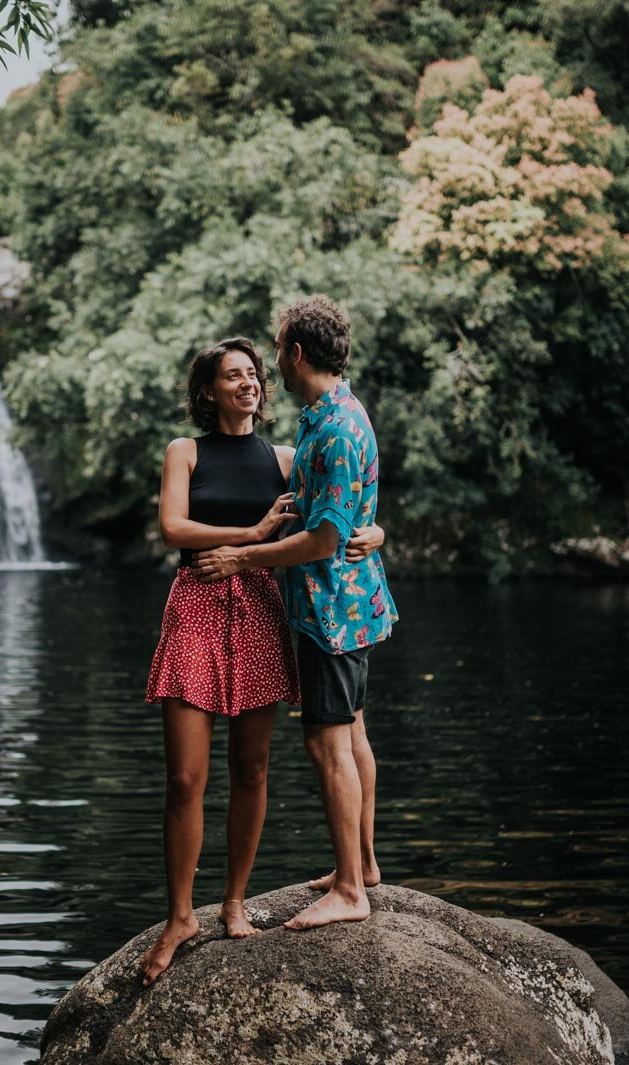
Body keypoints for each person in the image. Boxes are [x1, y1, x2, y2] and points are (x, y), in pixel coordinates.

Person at [140, 336, 385, 984]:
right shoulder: (184, 452)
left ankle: (234, 901)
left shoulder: (286, 456)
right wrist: (249, 534)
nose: (248, 382)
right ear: (209, 390)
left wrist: (377, 531)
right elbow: (173, 528)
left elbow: (339, 505)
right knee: (185, 780)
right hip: (195, 606)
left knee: (250, 769)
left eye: (254, 372)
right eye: (232, 375)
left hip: (260, 611)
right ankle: (180, 915)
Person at [192, 295, 398, 931]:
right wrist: (375, 530)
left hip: (332, 608)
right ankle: (359, 866)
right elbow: (345, 513)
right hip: (347, 601)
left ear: (296, 352)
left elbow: (323, 540)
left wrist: (242, 561)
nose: (270, 363)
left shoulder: (334, 427)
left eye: (276, 349)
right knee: (354, 730)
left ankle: (351, 895)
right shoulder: (328, 413)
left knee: (326, 739)